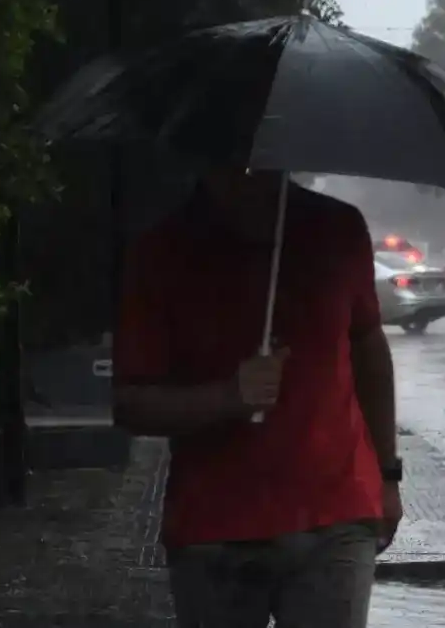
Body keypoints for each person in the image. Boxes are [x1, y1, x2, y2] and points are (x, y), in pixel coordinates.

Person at [112, 167, 402, 628]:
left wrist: (388, 475)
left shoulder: (338, 229)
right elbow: (129, 403)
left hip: (335, 516)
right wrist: (229, 396)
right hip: (214, 528)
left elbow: (368, 348)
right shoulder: (162, 249)